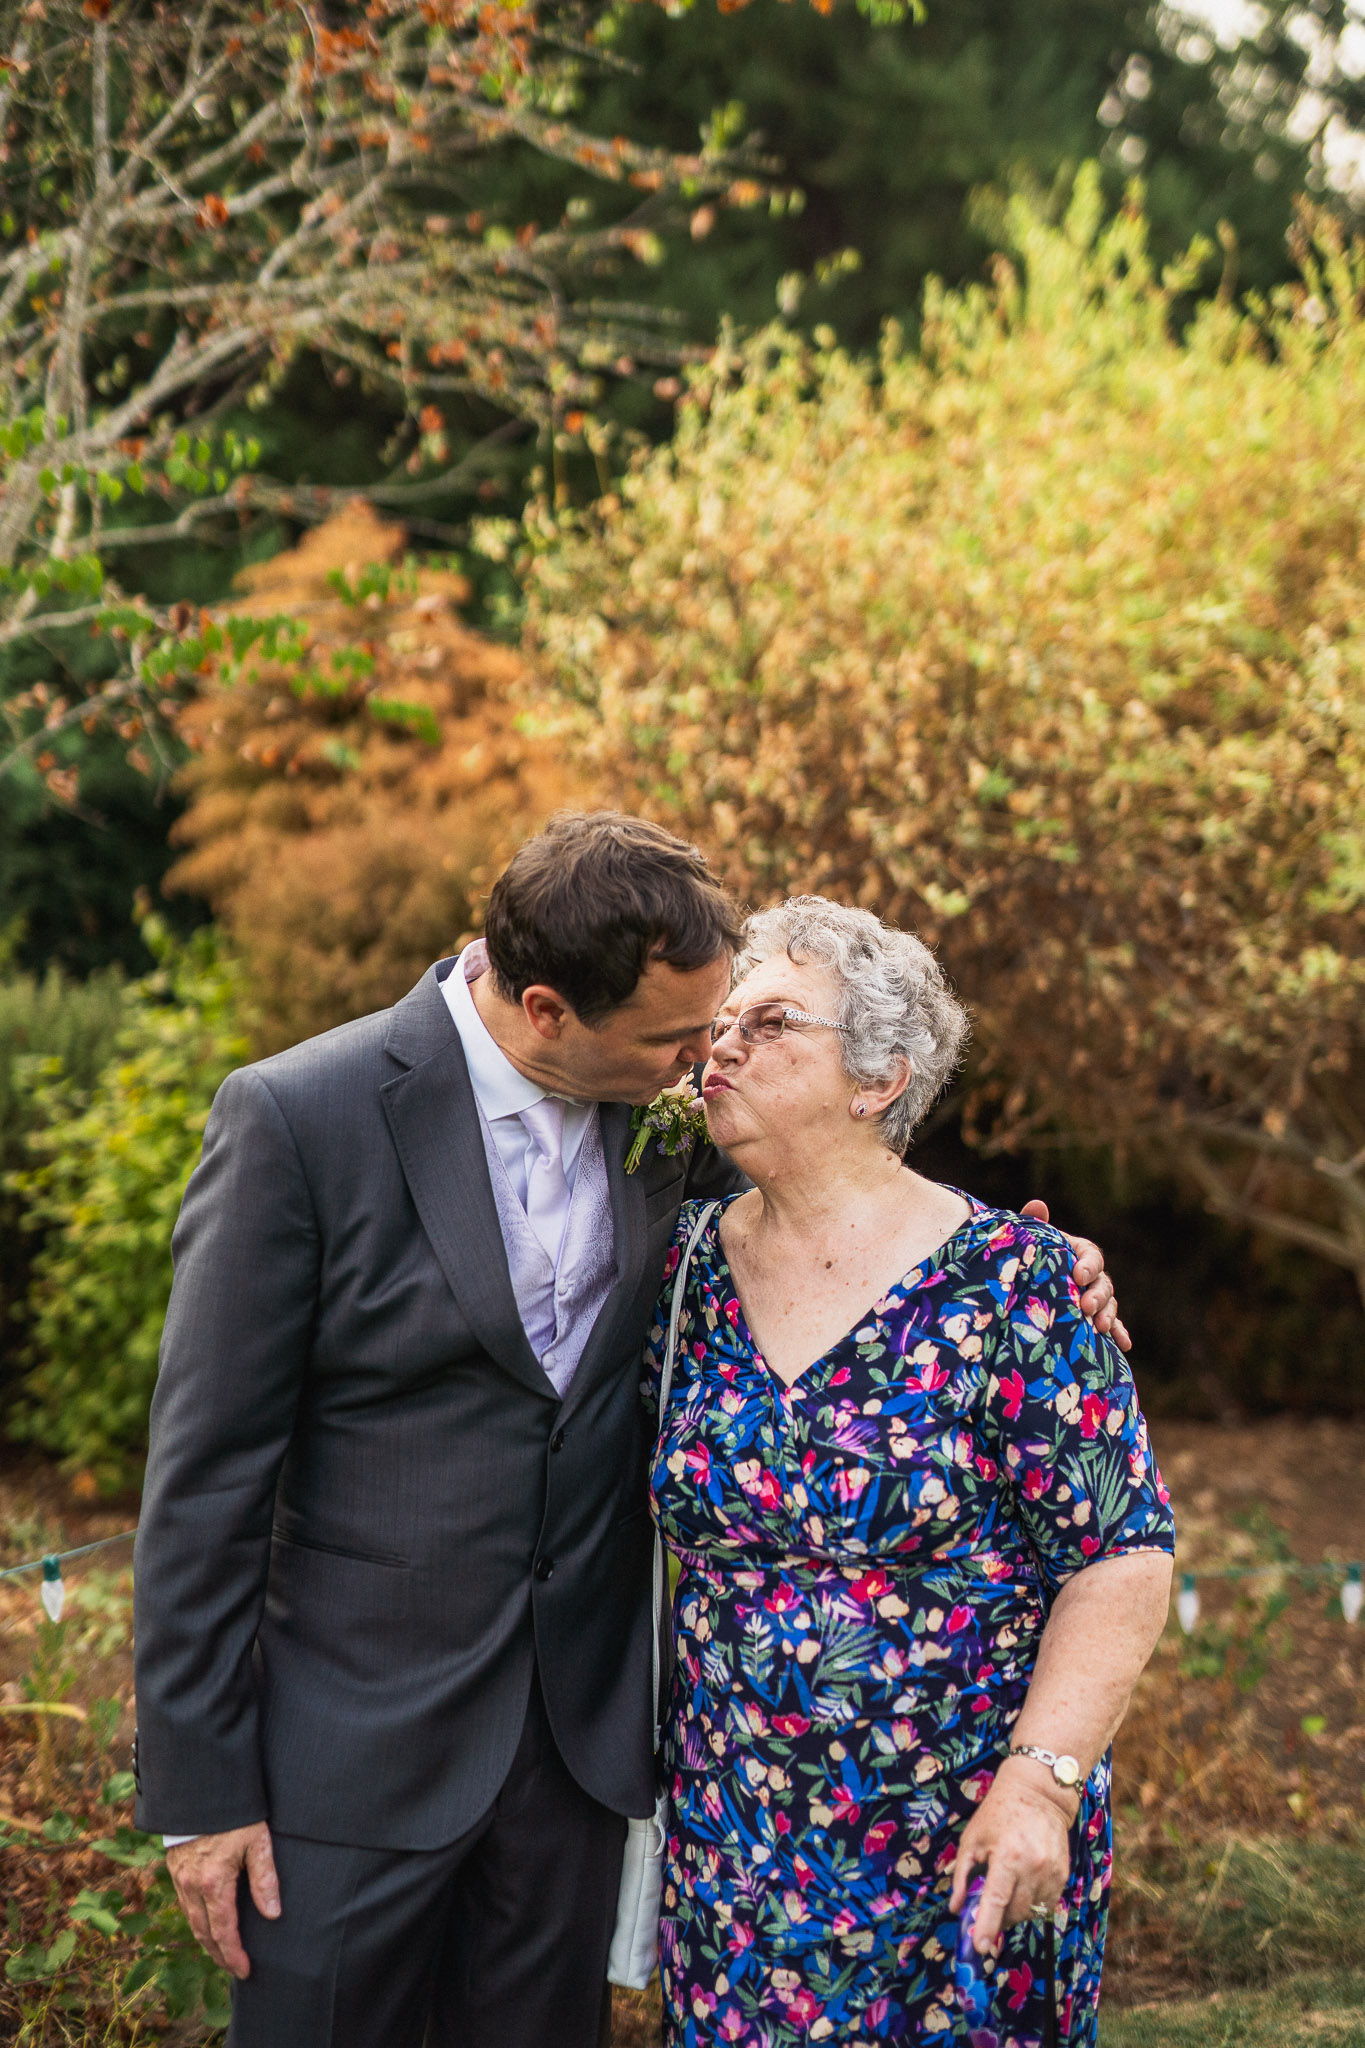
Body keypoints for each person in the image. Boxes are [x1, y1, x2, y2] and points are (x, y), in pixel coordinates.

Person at [132, 813, 1124, 2048]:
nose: (706, 1059)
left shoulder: (670, 1134)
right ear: (547, 1010)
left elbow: (844, 1217)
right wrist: (202, 1790)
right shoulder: (299, 1117)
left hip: (575, 1761)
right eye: (675, 1038)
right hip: (348, 1762)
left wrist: (1047, 1266)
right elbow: (205, 1478)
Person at [647, 897, 1174, 2048]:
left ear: (878, 1078)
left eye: (770, 1021)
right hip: (736, 1847)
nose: (722, 1045)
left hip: (965, 1827)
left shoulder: (1014, 1280)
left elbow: (1121, 1551)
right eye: (720, 1023)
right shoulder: (676, 1266)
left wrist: (1042, 1780)